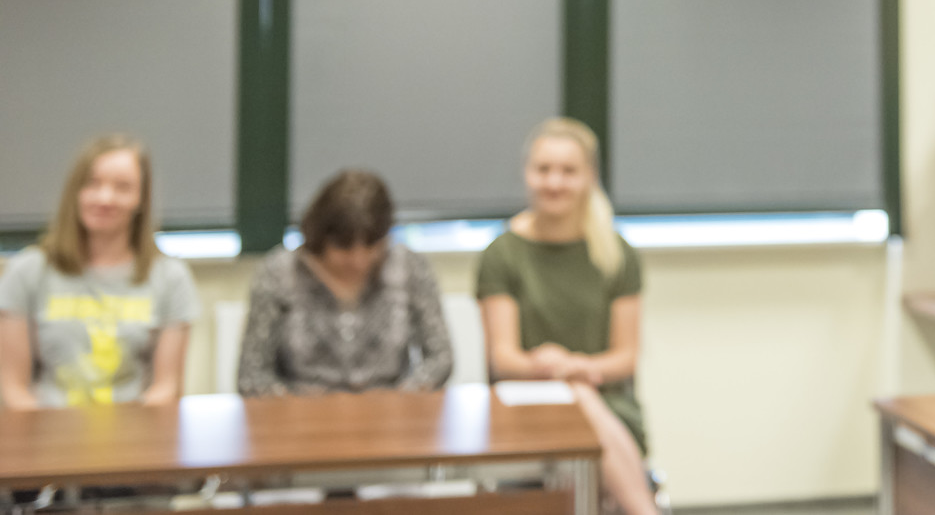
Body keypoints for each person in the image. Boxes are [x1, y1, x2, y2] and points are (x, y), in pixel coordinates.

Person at [477, 118, 654, 515]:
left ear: (589, 177)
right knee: (577, 400)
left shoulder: (617, 254)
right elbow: (503, 359)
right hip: (525, 400)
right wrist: (551, 370)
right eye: (543, 170)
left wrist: (578, 368)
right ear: (527, 174)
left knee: (582, 401)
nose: (554, 183)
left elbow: (625, 357)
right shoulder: (502, 254)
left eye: (568, 171)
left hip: (609, 403)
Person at [0, 135, 198, 408]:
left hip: (135, 429)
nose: (105, 198)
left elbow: (167, 388)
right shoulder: (27, 271)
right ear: (76, 191)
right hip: (46, 428)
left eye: (123, 187)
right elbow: (13, 390)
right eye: (93, 183)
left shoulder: (171, 278)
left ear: (141, 198)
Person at [236, 169, 452, 396]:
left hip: (388, 407)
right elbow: (251, 375)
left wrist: (402, 396)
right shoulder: (279, 273)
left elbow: (440, 358)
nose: (359, 261)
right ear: (320, 236)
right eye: (344, 247)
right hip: (302, 409)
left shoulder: (409, 267)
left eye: (371, 246)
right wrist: (295, 405)